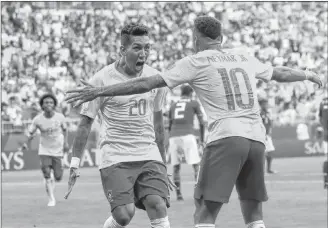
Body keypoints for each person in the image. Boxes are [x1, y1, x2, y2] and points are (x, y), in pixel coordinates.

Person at [65, 16, 322, 228]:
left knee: (204, 212)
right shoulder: (243, 56)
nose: (144, 53)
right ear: (221, 38)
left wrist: (100, 92)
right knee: (254, 212)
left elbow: (147, 84)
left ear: (196, 38)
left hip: (226, 137)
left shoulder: (195, 61)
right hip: (257, 140)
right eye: (137, 48)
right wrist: (309, 74)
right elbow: (280, 72)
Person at [64, 23, 174, 228]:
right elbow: (85, 123)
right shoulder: (100, 79)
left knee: (157, 204)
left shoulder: (155, 79)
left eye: (147, 48)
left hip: (148, 153)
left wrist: (163, 161)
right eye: (137, 48)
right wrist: (74, 162)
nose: (143, 53)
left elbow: (158, 124)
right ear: (122, 50)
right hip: (115, 155)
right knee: (124, 215)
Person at [22, 93, 69, 207]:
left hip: (58, 150)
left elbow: (65, 130)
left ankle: (52, 177)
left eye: (51, 102)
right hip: (44, 150)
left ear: (54, 105)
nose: (48, 104)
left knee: (58, 177)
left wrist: (66, 143)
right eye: (46, 102)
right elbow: (30, 132)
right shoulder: (37, 119)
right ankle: (51, 199)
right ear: (42, 105)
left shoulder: (60, 117)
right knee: (47, 174)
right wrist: (26, 143)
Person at [167, 84, 205, 201]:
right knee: (196, 165)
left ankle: (178, 195)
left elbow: (169, 124)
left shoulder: (173, 105)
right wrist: (202, 140)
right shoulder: (194, 103)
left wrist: (171, 137)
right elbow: (202, 122)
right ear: (191, 93)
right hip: (188, 135)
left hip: (174, 136)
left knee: (176, 166)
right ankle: (198, 193)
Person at [259, 98, 277, 174]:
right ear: (261, 104)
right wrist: (263, 134)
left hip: (267, 135)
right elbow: (260, 124)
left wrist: (269, 131)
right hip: (262, 135)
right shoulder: (260, 113)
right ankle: (261, 170)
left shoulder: (267, 113)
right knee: (263, 153)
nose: (266, 105)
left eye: (266, 104)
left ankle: (268, 169)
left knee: (270, 152)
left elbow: (270, 123)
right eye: (265, 104)